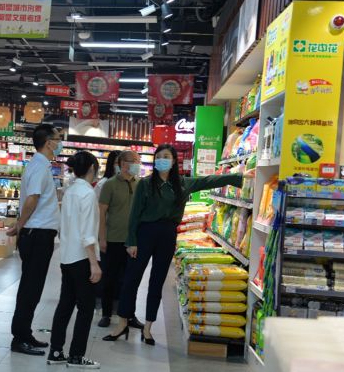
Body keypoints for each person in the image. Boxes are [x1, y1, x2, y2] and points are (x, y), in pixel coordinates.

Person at [104, 144, 253, 345]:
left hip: (167, 235)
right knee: (131, 278)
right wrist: (131, 241)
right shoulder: (145, 184)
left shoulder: (182, 183)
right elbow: (134, 215)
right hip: (145, 232)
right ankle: (122, 323)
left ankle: (148, 328)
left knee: (157, 281)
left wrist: (240, 177)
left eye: (166, 156)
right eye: (158, 156)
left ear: (174, 161)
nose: (161, 160)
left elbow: (208, 181)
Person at [7, 124, 62, 356]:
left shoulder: (39, 165)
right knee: (30, 287)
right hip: (37, 233)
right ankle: (19, 338)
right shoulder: (39, 166)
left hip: (38, 233)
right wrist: (19, 225)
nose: (60, 142)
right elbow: (32, 199)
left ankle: (25, 332)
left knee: (33, 286)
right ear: (49, 142)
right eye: (58, 138)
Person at [48, 151, 102, 369]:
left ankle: (56, 351)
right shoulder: (87, 194)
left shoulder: (69, 191)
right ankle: (77, 355)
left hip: (67, 256)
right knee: (86, 308)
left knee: (65, 305)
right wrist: (94, 263)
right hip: (82, 258)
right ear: (92, 168)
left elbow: (63, 226)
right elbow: (88, 233)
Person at [97, 149, 142, 328]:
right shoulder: (110, 184)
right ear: (123, 164)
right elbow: (101, 213)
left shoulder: (141, 184)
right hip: (113, 239)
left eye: (138, 160)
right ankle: (106, 314)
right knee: (109, 278)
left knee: (131, 280)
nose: (137, 164)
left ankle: (129, 315)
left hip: (133, 241)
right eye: (134, 161)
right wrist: (102, 238)